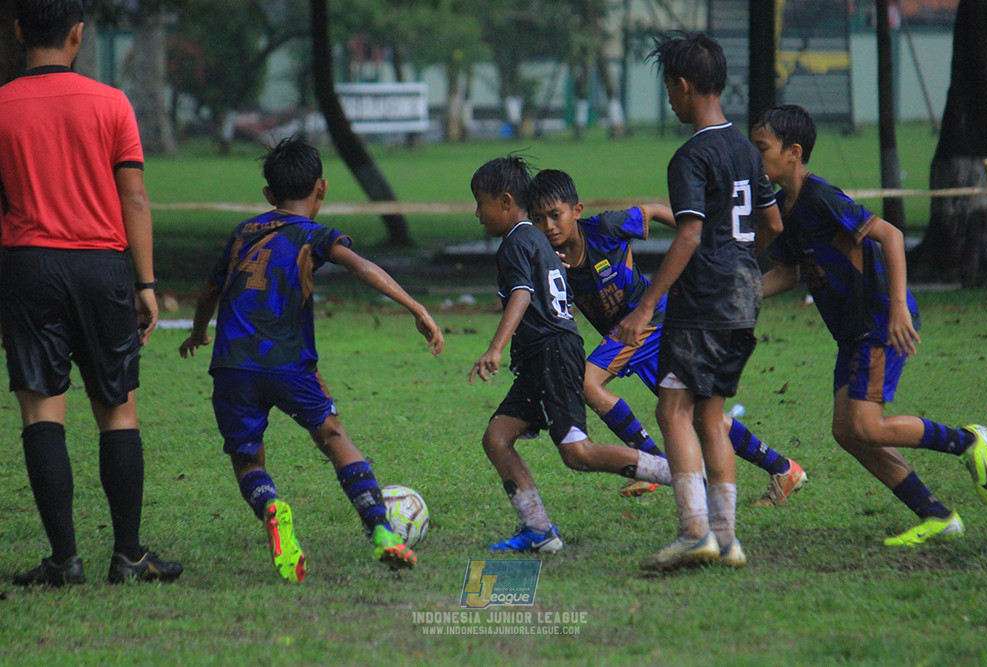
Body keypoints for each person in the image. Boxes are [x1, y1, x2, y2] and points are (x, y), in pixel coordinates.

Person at [179, 138, 444, 581]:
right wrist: (415, 307)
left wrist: (197, 331)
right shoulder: (313, 234)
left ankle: (271, 506)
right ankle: (382, 530)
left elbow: (210, 290)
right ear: (321, 188)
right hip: (287, 363)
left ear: (268, 194)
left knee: (248, 460)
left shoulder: (243, 232)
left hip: (231, 364)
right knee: (333, 435)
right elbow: (360, 266)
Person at [751, 104, 987, 546]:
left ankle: (967, 441)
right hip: (852, 331)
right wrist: (740, 294)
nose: (756, 158)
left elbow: (890, 234)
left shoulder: (820, 197)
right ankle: (936, 514)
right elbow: (787, 274)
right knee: (847, 432)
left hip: (879, 320)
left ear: (793, 152)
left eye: (762, 148)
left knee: (866, 425)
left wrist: (899, 305)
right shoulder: (783, 211)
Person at [0, 0, 182, 586]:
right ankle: (128, 556)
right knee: (118, 409)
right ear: (78, 34)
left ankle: (64, 560)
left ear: (19, 31)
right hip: (102, 269)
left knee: (40, 411)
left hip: (28, 267)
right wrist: (145, 283)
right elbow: (135, 198)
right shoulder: (112, 103)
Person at [526, 168, 806, 506]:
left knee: (587, 382)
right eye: (538, 219)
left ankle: (654, 463)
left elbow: (654, 210)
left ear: (577, 211)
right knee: (699, 414)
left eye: (555, 215)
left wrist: (701, 235)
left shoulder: (606, 227)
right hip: (634, 334)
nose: (549, 226)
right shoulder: (545, 257)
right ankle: (781, 468)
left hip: (648, 320)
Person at [617, 31, 784, 571]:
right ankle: (726, 538)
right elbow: (772, 224)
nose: (669, 100)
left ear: (684, 85)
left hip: (703, 301)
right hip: (744, 299)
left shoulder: (691, 156)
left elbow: (688, 234)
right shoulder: (747, 150)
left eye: (669, 88)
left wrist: (646, 307)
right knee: (710, 416)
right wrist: (739, 261)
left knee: (672, 409)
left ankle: (695, 532)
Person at [468, 155, 673, 553]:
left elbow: (521, 294)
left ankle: (678, 474)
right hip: (540, 358)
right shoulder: (539, 241)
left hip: (553, 354)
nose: (477, 214)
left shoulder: (517, 243)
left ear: (506, 201)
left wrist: (494, 348)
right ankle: (539, 530)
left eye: (481, 203)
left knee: (577, 454)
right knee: (497, 438)